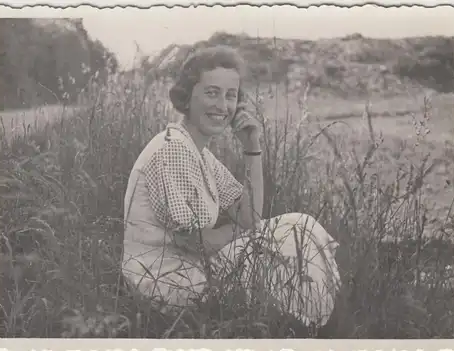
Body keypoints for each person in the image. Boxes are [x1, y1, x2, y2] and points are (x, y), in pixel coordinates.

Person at [122, 45, 340, 327]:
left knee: (299, 226)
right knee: (285, 248)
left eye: (231, 96)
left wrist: (252, 146)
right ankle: (309, 326)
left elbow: (252, 217)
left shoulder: (198, 152)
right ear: (187, 97)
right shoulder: (173, 149)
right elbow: (196, 243)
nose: (223, 106)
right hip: (164, 280)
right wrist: (243, 232)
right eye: (212, 93)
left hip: (186, 269)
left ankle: (309, 322)